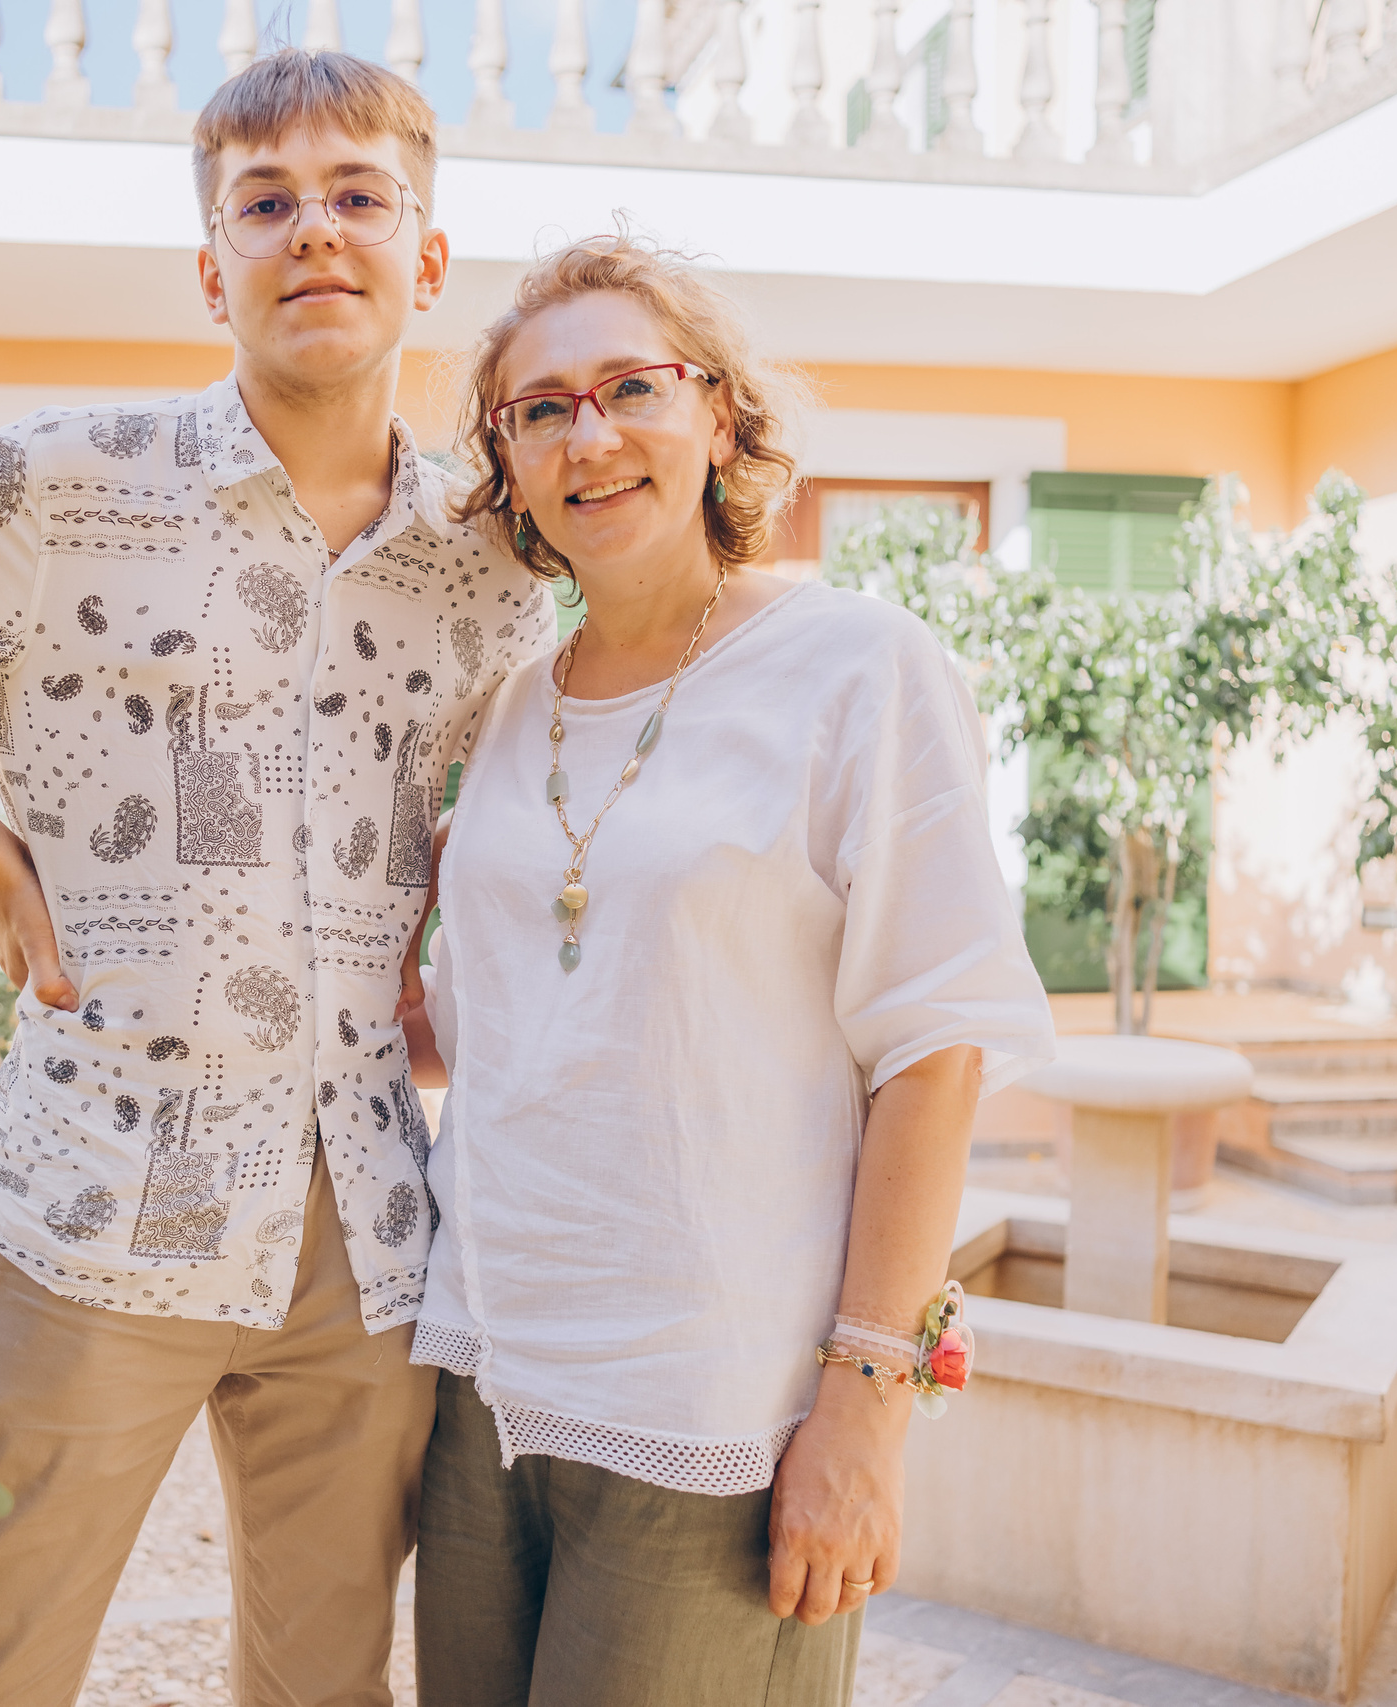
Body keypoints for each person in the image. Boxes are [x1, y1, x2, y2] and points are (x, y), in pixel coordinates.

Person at [0, 50, 548, 1707]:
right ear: (211, 264)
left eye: (360, 198)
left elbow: (485, 823)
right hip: (91, 1204)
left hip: (362, 1228)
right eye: (266, 204)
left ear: (427, 258)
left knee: (326, 1688)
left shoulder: (485, 569)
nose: (315, 235)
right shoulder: (52, 482)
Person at [406, 233, 1057, 1706]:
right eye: (542, 408)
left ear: (719, 415)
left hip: (717, 1405)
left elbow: (935, 1046)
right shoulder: (506, 712)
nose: (594, 435)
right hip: (481, 1380)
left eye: (634, 386)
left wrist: (867, 1406)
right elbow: (491, 1027)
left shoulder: (856, 669)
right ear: (506, 463)